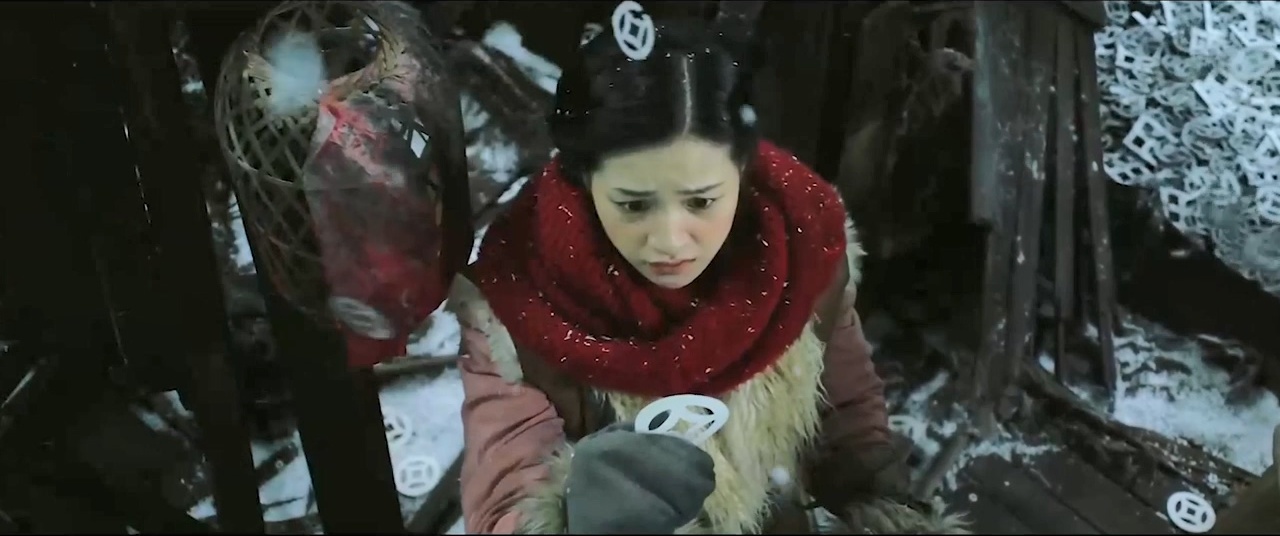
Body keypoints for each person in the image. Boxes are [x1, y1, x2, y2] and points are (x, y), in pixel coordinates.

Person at [450, 15, 968, 535]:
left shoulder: (804, 251)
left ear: (742, 170)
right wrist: (579, 518)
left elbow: (847, 416)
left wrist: (882, 506)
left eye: (701, 201)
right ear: (583, 183)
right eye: (633, 205)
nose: (671, 241)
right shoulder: (521, 305)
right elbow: (503, 498)